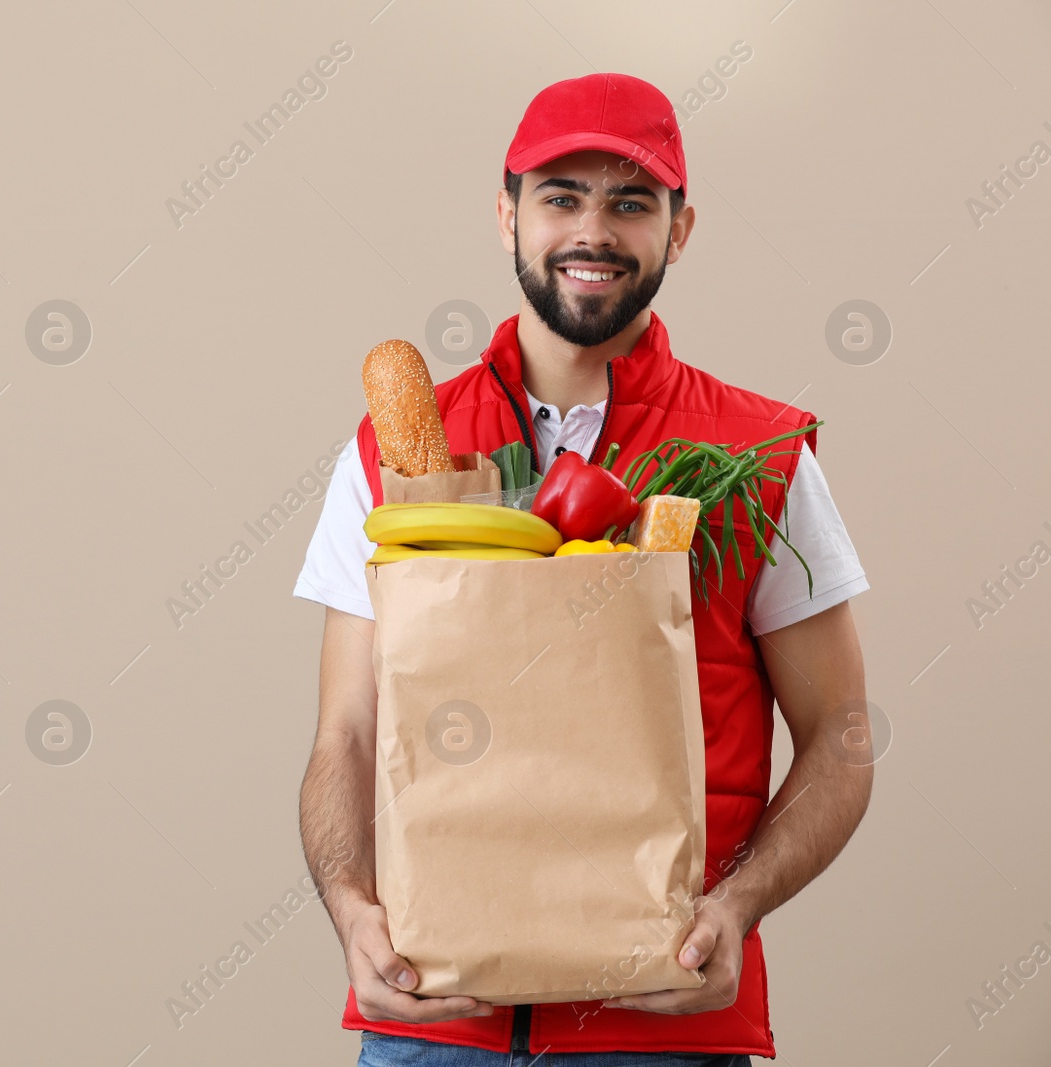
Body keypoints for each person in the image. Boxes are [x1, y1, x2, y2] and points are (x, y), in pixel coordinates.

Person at [294, 72, 873, 1064]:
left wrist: (734, 910)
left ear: (678, 229)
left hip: (659, 1025)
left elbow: (843, 734)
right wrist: (350, 907)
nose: (592, 231)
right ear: (506, 214)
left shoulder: (762, 454)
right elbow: (345, 730)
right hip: (434, 1019)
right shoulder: (384, 455)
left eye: (629, 202)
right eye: (561, 196)